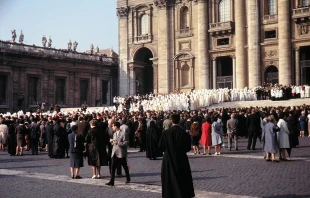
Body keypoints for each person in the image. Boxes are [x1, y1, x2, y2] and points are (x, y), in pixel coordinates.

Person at [158, 114, 195, 198]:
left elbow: (160, 146)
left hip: (168, 158)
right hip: (181, 158)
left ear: (171, 121)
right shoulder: (183, 133)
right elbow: (188, 148)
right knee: (182, 177)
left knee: (169, 178)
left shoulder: (166, 132)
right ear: (179, 121)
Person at [106, 122, 131, 186]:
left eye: (113, 126)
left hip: (121, 153)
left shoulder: (123, 133)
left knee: (125, 166)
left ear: (116, 126)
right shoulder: (114, 134)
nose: (112, 127)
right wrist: (112, 142)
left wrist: (118, 143)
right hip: (114, 152)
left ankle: (128, 178)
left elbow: (126, 143)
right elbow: (114, 142)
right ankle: (112, 181)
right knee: (113, 167)